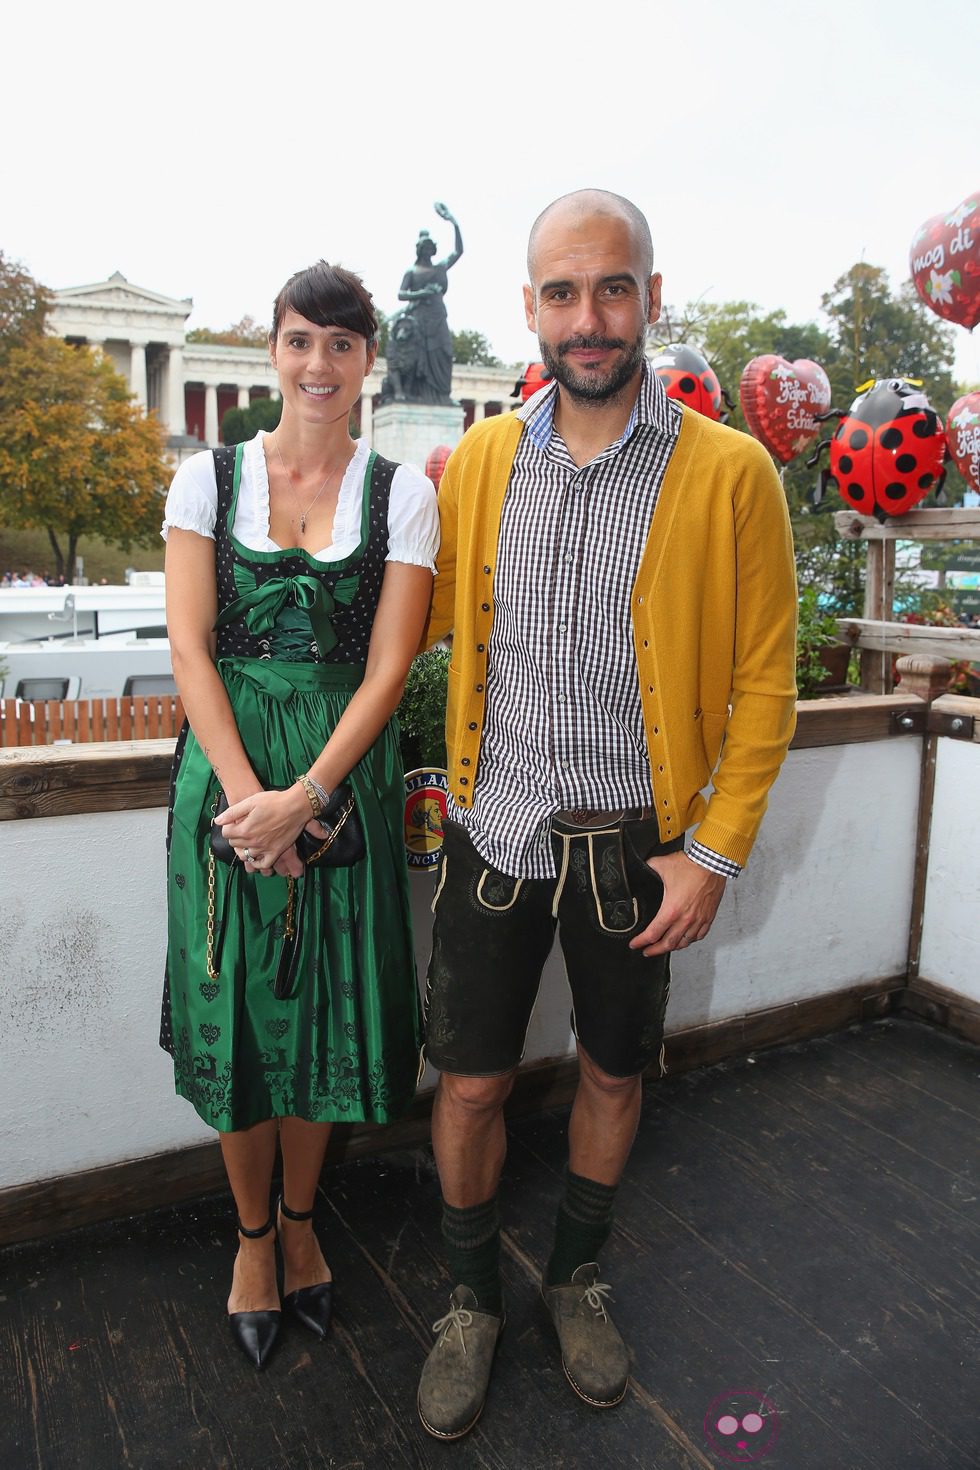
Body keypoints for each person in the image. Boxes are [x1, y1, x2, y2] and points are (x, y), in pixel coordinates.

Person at [415, 190, 798, 1438]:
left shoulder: (729, 473)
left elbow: (762, 682)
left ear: (648, 297)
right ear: (527, 308)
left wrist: (712, 854)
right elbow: (413, 628)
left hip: (640, 847)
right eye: (563, 293)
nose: (590, 318)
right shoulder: (476, 463)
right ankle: (469, 1299)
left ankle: (575, 1275)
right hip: (492, 834)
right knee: (467, 1088)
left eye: (613, 288)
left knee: (613, 1071)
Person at [159, 260, 438, 1370]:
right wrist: (247, 804)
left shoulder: (401, 489)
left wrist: (307, 799)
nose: (318, 365)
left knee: (324, 1010)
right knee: (235, 1009)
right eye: (297, 341)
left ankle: (307, 1223)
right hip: (226, 780)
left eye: (340, 343)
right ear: (270, 352)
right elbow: (189, 646)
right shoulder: (207, 478)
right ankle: (250, 1237)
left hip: (339, 777)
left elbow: (389, 664)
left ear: (367, 359)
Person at [389, 202, 463, 404]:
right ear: (420, 250)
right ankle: (419, 394)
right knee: (419, 359)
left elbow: (458, 251)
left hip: (438, 316)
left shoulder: (440, 267)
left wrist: (453, 222)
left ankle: (442, 395)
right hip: (419, 319)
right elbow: (401, 294)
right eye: (426, 248)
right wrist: (423, 293)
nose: (429, 250)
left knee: (444, 353)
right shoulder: (411, 272)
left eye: (432, 248)